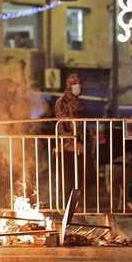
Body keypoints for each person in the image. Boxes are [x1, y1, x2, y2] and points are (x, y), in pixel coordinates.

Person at [54, 73, 87, 203]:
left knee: (80, 179)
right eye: (73, 83)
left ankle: (77, 207)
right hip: (68, 148)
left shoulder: (78, 102)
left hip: (80, 147)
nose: (77, 86)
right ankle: (68, 207)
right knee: (69, 180)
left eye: (78, 83)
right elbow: (63, 126)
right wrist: (74, 142)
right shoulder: (61, 102)